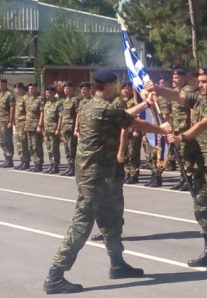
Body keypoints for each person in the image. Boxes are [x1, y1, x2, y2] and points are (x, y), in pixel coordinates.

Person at [42, 69, 168, 294]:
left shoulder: (90, 104)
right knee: (81, 224)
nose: (117, 89)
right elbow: (131, 122)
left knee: (112, 220)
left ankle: (117, 264)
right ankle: (55, 275)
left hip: (105, 175)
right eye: (115, 85)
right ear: (108, 85)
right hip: (94, 177)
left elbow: (123, 114)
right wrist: (161, 130)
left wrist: (146, 104)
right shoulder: (103, 108)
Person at [147, 66, 207, 272]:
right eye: (199, 81)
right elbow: (178, 96)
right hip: (199, 160)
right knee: (200, 205)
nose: (200, 85)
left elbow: (205, 123)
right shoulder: (200, 98)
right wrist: (158, 89)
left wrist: (181, 136)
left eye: (204, 82)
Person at [169, 69, 196, 190]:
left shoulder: (189, 90)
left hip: (186, 129)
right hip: (176, 129)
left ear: (184, 78)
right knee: (179, 155)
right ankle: (182, 178)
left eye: (177, 78)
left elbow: (192, 110)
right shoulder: (175, 91)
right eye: (173, 78)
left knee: (187, 155)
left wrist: (192, 128)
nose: (174, 80)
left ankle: (189, 179)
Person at [0, 79, 16, 168]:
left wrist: (10, 122)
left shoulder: (9, 95)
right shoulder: (0, 95)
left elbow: (12, 108)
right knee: (1, 141)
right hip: (0, 121)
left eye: (0, 84)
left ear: (4, 84)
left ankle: (10, 160)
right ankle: (6, 159)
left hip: (6, 121)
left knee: (7, 141)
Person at [25, 82, 44, 172]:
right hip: (29, 126)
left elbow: (42, 113)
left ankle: (39, 163)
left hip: (36, 125)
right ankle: (34, 162)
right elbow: (27, 113)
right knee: (30, 146)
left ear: (36, 88)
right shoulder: (29, 99)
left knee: (36, 145)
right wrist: (26, 124)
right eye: (29, 89)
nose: (31, 90)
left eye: (32, 88)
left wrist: (39, 125)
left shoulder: (40, 99)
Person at [60, 81, 78, 176]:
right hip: (65, 128)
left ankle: (73, 168)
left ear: (72, 89)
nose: (66, 90)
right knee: (66, 148)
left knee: (72, 148)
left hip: (71, 128)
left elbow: (78, 114)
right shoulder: (65, 100)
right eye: (65, 88)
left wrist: (76, 127)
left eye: (68, 88)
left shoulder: (75, 100)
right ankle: (69, 166)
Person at [43, 85, 62, 174]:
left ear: (54, 93)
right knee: (49, 148)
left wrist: (58, 128)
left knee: (54, 148)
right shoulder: (47, 103)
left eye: (49, 93)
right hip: (47, 130)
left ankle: (56, 165)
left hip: (54, 129)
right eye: (46, 93)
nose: (47, 94)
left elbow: (60, 117)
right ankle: (51, 164)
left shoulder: (58, 104)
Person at [13, 82, 31, 170]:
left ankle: (26, 161)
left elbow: (28, 112)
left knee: (24, 143)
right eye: (15, 88)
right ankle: (22, 161)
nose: (16, 90)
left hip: (23, 124)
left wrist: (27, 124)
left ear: (22, 89)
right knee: (18, 143)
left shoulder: (26, 98)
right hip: (18, 124)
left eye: (18, 88)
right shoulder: (19, 98)